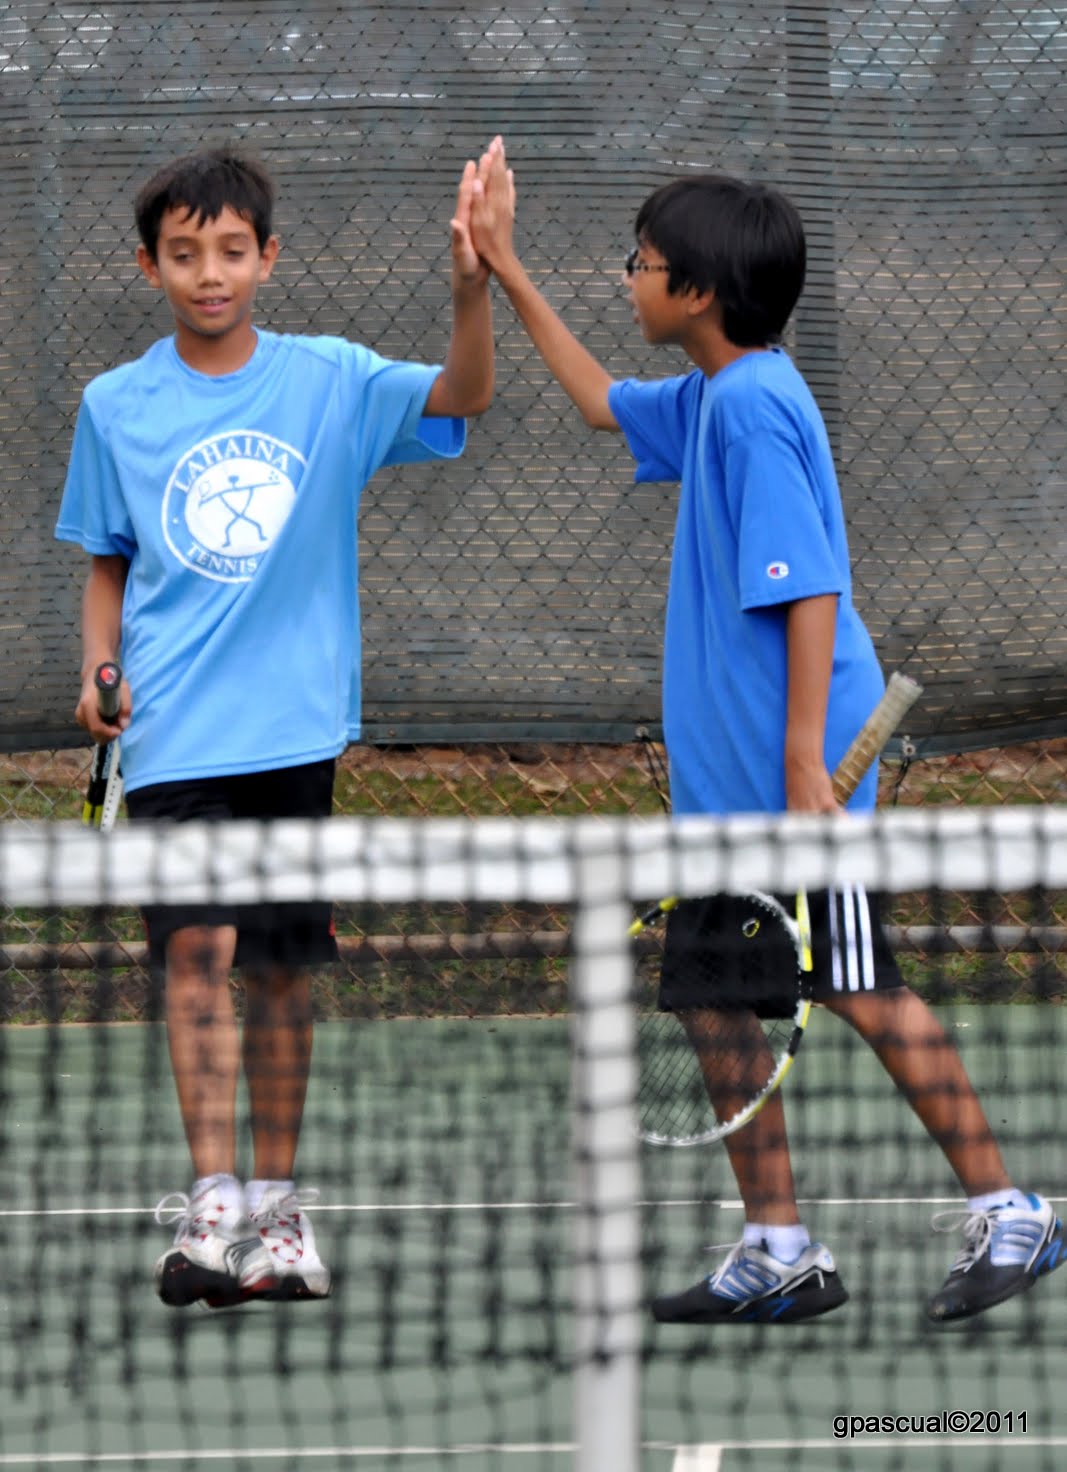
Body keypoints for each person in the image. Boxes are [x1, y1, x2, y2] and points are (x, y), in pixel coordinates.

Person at [468, 140, 1066, 1324]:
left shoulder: (749, 409)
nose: (626, 279)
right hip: (726, 791)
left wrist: (805, 764)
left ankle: (1014, 1210)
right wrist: (503, 266)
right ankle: (777, 1246)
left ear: (694, 291)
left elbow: (807, 590)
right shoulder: (707, 395)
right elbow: (598, 404)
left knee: (858, 984)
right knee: (707, 996)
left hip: (792, 785)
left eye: (637, 263)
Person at [55, 145, 497, 1308]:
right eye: (185, 254)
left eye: (232, 251)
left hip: (293, 737)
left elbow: (462, 395)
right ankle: (211, 1203)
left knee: (283, 973)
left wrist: (470, 283)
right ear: (149, 266)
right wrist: (100, 665)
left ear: (268, 258)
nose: (211, 273)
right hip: (173, 741)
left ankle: (280, 1212)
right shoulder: (115, 405)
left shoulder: (330, 382)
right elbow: (108, 565)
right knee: (196, 958)